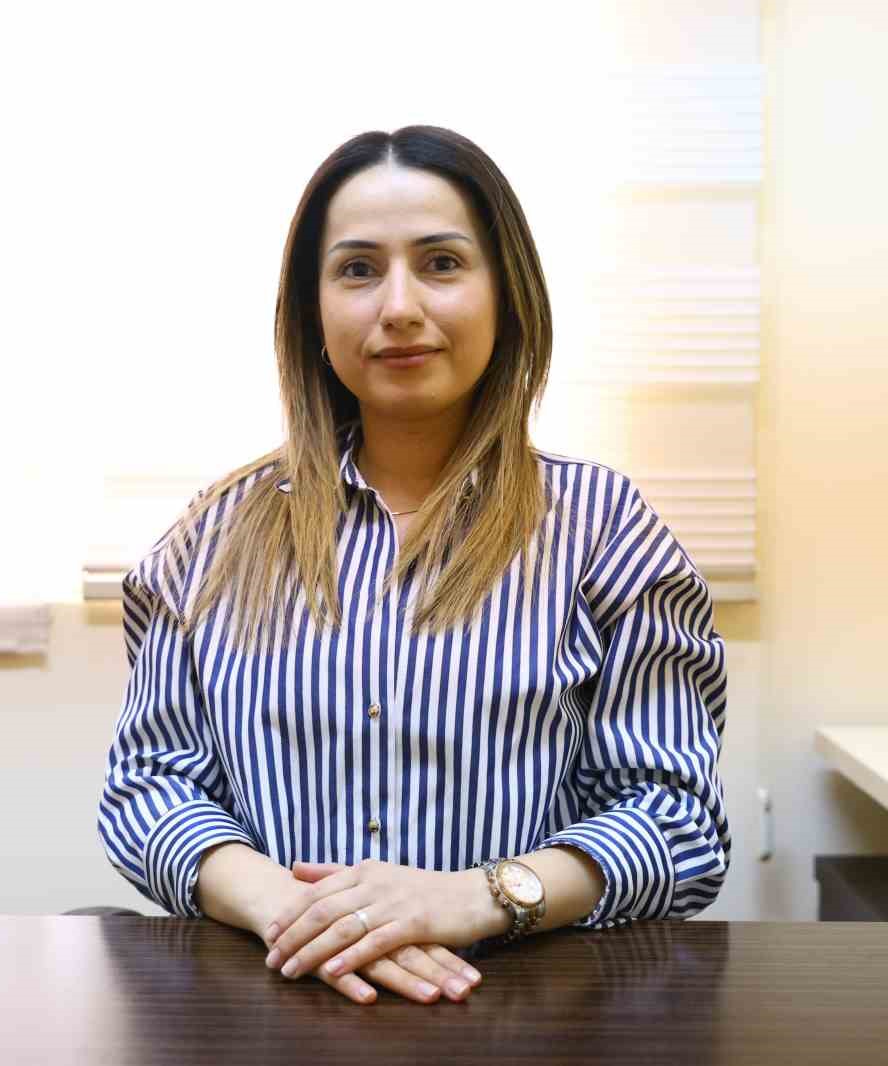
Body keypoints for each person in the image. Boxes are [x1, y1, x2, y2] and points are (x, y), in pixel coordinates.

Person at [97, 124, 730, 1007]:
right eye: (358, 269)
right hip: (275, 1003)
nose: (398, 306)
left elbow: (676, 818)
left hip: (519, 1011)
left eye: (441, 263)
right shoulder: (215, 533)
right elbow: (150, 787)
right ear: (312, 311)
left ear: (507, 294)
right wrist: (295, 912)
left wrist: (474, 898)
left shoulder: (602, 527)